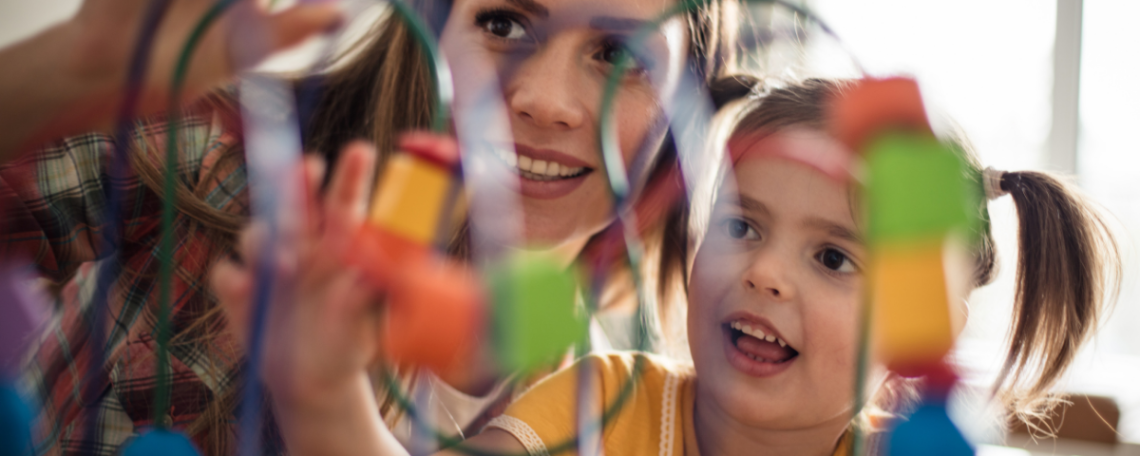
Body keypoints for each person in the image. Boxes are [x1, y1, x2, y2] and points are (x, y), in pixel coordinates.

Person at [222, 77, 1121, 455]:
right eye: (740, 225)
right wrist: (326, 397)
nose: (766, 273)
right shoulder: (596, 404)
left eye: (834, 257)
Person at [0, 0, 741, 454]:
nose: (547, 101)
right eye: (502, 22)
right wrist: (66, 69)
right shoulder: (221, 160)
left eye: (618, 56)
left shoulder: (608, 408)